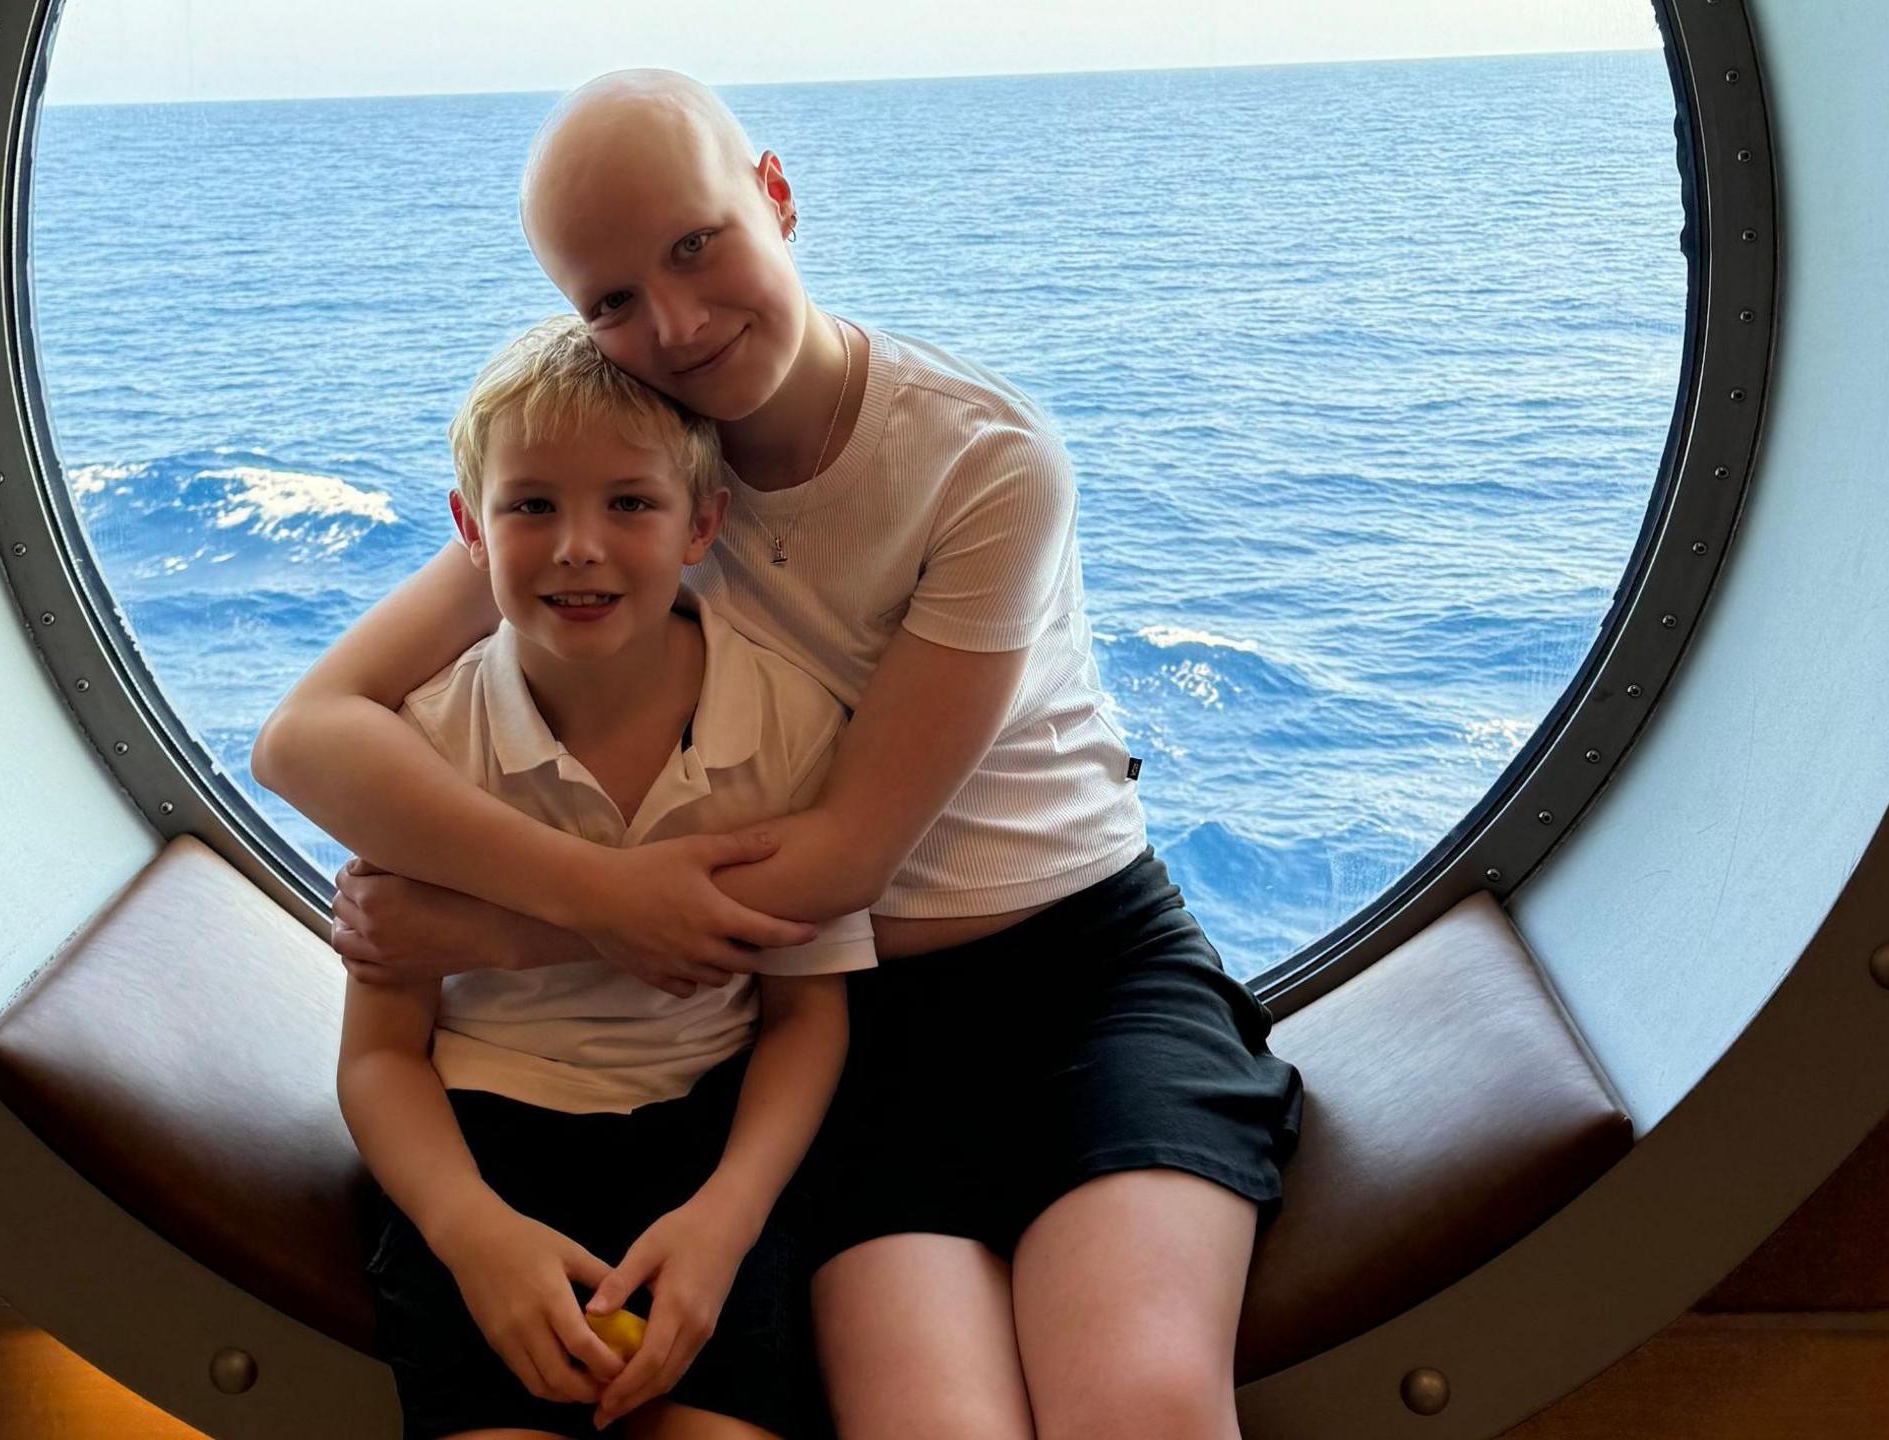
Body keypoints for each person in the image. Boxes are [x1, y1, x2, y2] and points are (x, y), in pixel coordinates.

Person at [256, 69, 1304, 1439]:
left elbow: (844, 857)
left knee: (1140, 1406)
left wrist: (480, 929)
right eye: (612, 300)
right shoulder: (629, 485)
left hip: (1082, 987)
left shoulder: (982, 459)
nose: (676, 322)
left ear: (777, 195)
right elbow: (306, 738)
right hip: (847, 1033)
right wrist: (569, 902)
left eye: (698, 245)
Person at [296, 315, 876, 1440]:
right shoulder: (422, 750)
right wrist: (472, 1233)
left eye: (629, 503)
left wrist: (725, 1221)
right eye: (530, 506)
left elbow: (807, 1015)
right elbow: (377, 1055)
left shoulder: (789, 722)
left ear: (703, 521)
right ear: (470, 526)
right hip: (482, 1140)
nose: (576, 546)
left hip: (711, 1139)